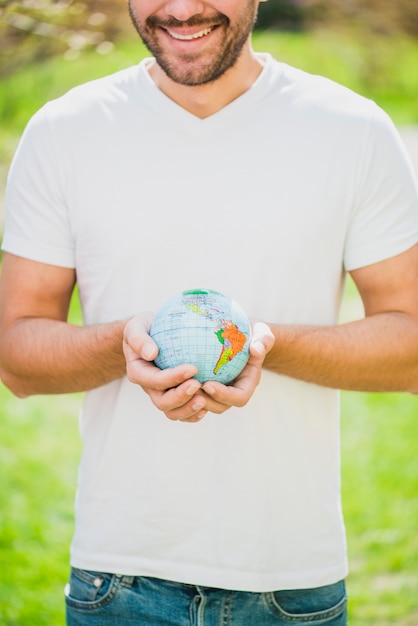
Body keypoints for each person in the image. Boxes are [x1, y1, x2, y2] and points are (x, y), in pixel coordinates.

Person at [1, 0, 418, 624]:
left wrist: (261, 345)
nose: (184, 8)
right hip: (117, 580)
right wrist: (123, 344)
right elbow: (16, 355)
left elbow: (410, 346)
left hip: (290, 583)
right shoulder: (66, 131)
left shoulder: (350, 129)